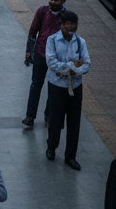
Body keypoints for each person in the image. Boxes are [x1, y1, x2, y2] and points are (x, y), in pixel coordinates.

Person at [44, 10, 89, 169]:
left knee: (74, 121)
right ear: (62, 25)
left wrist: (69, 69)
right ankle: (51, 147)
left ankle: (70, 156)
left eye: (73, 24)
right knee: (55, 120)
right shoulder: (52, 40)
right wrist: (73, 66)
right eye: (68, 24)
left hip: (75, 87)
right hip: (57, 86)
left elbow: (86, 64)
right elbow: (51, 63)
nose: (71, 27)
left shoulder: (80, 42)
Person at [24, 0, 70, 128]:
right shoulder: (42, 11)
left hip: (56, 58)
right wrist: (28, 53)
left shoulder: (66, 17)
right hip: (40, 54)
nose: (52, 2)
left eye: (56, 0)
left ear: (63, 1)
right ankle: (30, 116)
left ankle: (48, 115)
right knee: (35, 85)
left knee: (53, 87)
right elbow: (33, 32)